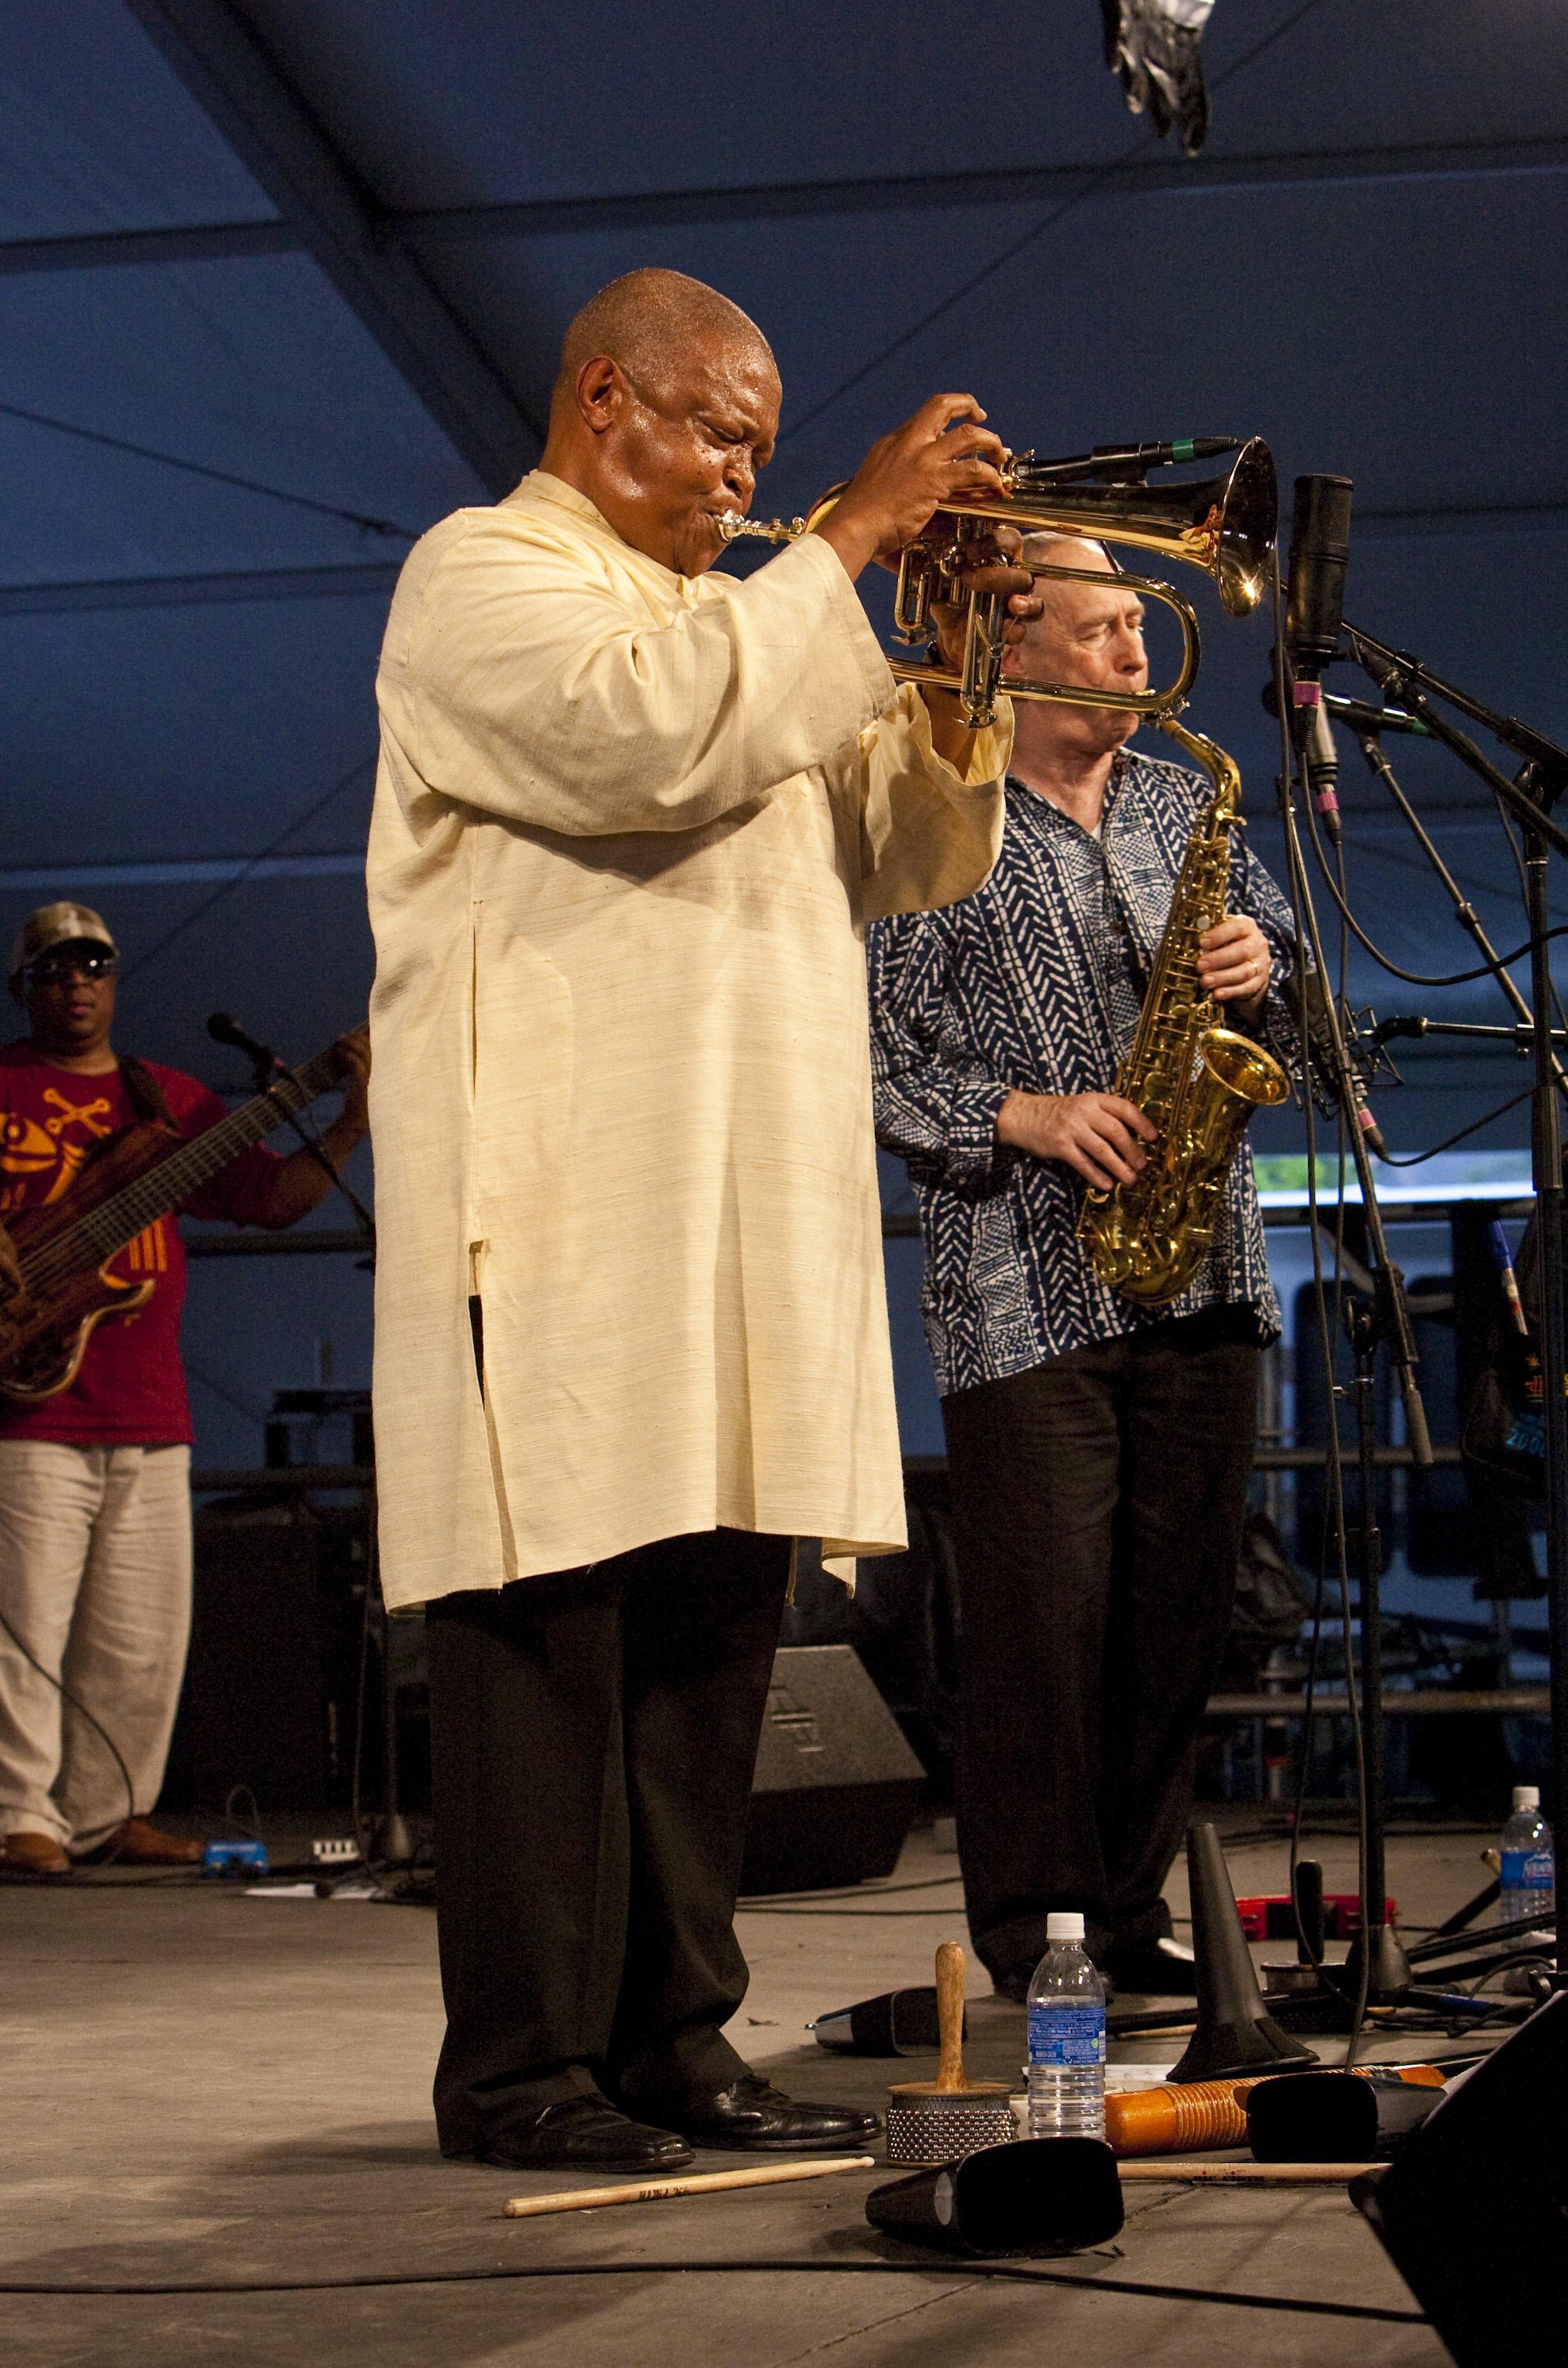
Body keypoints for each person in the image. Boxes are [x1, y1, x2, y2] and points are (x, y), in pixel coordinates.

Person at [367, 267, 1038, 2172]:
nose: (746, 473)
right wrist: (839, 540)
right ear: (604, 401)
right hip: (562, 1204)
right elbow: (646, 740)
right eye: (719, 430)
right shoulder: (484, 576)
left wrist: (955, 659)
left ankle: (670, 2029)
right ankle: (516, 2064)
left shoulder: (734, 614)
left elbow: (909, 852)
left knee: (707, 1644)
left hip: (740, 1211)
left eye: (763, 441)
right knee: (547, 1646)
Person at [866, 536, 1302, 2000]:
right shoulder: (940, 807)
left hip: (1204, 1268)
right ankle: (1040, 1933)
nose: (1136, 653)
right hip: (1019, 1287)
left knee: (1176, 1615)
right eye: (1107, 629)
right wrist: (1023, 1112)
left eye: (1137, 626)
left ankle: (1127, 1912)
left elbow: (1294, 1023)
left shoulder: (1188, 801)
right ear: (1015, 640)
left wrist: (1264, 967)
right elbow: (862, 1045)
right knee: (1042, 1631)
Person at [0, 902, 371, 1877]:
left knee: (140, 1634)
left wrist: (350, 1119)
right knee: (28, 1624)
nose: (75, 981)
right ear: (23, 988)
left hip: (151, 1408)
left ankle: (105, 1814)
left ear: (116, 980)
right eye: (53, 968)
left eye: (93, 964)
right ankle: (17, 1815)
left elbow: (268, 1201)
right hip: (28, 1407)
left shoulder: (163, 1099)